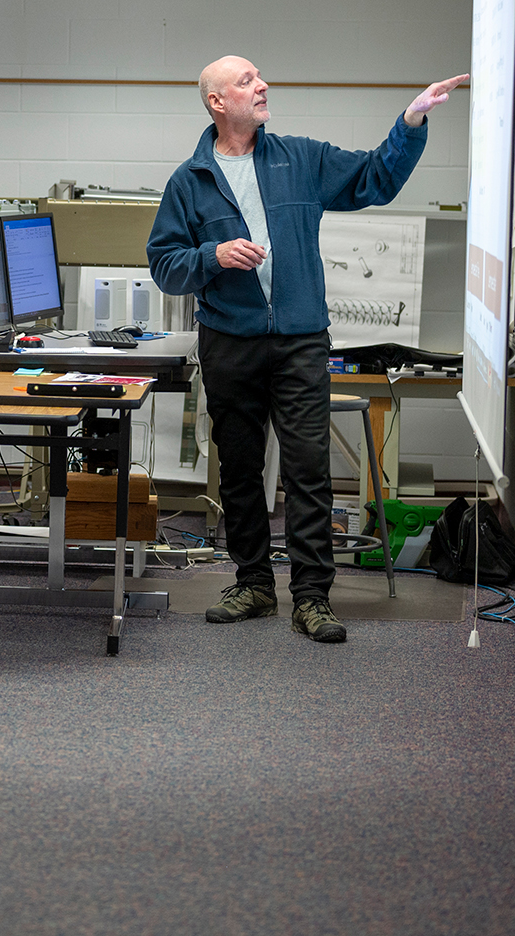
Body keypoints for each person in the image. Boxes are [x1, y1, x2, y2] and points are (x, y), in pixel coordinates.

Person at [147, 56, 467, 643]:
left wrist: (412, 121)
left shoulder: (300, 158)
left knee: (307, 471)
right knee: (241, 472)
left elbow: (375, 178)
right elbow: (165, 266)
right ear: (218, 102)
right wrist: (211, 258)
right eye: (246, 81)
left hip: (299, 341)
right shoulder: (187, 182)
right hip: (229, 344)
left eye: (259, 77)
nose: (262, 85)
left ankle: (313, 597)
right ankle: (252, 584)